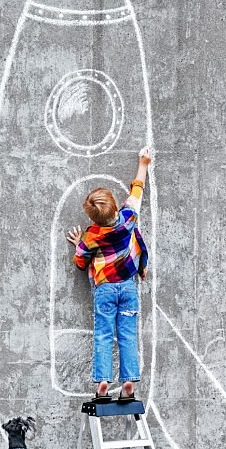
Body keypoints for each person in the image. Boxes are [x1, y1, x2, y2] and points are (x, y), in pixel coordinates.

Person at [66, 147, 152, 401]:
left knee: (104, 335)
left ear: (92, 217)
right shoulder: (128, 219)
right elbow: (138, 190)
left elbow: (81, 261)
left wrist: (80, 244)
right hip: (127, 287)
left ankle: (103, 382)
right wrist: (143, 163)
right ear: (116, 205)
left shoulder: (92, 235)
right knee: (127, 334)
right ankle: (128, 384)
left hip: (104, 290)